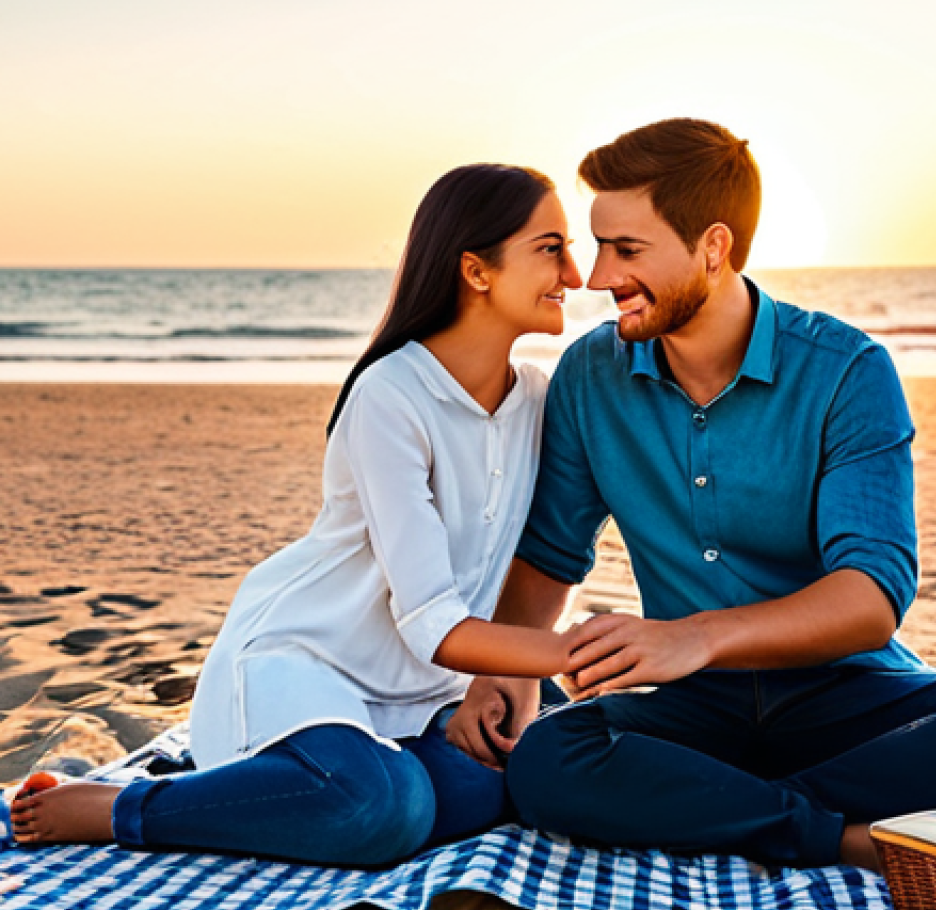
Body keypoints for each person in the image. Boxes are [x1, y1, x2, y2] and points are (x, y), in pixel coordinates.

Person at [446, 119, 936, 871]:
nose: (595, 277)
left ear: (712, 247)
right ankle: (847, 834)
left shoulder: (847, 370)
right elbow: (551, 556)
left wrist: (695, 636)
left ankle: (724, 806)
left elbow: (871, 598)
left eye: (626, 249)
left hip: (846, 696)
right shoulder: (591, 376)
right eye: (596, 247)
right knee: (553, 751)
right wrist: (503, 675)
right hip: (695, 708)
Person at [11, 163, 584, 866]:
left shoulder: (536, 398)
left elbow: (525, 565)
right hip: (310, 662)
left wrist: (519, 673)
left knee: (506, 781)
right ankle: (121, 808)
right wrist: (576, 649)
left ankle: (286, 794)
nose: (576, 275)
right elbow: (432, 619)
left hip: (427, 692)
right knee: (381, 808)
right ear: (477, 270)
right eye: (551, 248)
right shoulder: (391, 394)